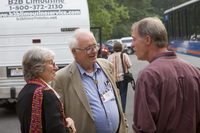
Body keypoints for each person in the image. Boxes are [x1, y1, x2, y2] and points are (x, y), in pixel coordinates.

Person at [51, 29, 129, 133]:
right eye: (88, 48)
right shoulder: (61, 78)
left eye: (95, 45)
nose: (94, 50)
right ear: (74, 51)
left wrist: (125, 125)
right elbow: (57, 118)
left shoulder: (107, 66)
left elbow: (117, 99)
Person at [131, 17, 200, 133]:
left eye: (134, 39)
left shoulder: (148, 76)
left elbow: (143, 128)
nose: (132, 45)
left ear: (147, 40)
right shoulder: (195, 73)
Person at [16, 46, 76, 133]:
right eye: (51, 63)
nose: (56, 67)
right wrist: (69, 125)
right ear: (38, 68)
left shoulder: (24, 92)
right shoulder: (46, 94)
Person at [107, 42, 132, 113]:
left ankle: (116, 111)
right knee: (123, 95)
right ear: (121, 48)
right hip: (123, 78)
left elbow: (107, 67)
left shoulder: (110, 57)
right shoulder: (124, 55)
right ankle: (122, 112)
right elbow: (130, 65)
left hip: (113, 79)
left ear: (114, 48)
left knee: (115, 96)